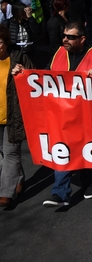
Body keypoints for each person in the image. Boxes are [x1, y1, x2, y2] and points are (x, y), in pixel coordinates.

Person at [42, 22, 92, 207]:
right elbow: (43, 77)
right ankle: (60, 193)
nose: (65, 39)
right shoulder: (58, 54)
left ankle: (89, 183)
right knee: (62, 150)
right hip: (62, 114)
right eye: (64, 35)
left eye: (71, 37)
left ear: (82, 39)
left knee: (85, 151)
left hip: (87, 115)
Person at [0, 26, 34, 207]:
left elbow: (34, 79)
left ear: (6, 43)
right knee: (2, 155)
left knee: (11, 153)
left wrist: (23, 72)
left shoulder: (18, 57)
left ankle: (6, 193)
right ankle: (18, 178)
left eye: (0, 42)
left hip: (13, 116)